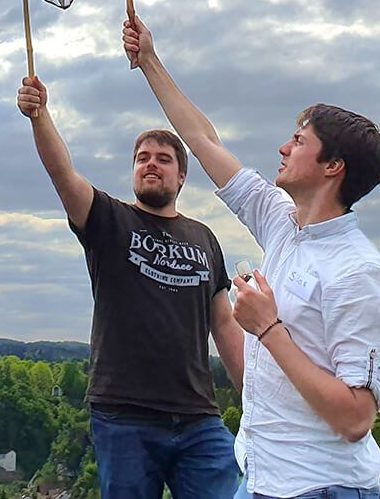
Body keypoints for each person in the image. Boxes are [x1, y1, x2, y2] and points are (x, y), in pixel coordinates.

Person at [122, 16, 380, 499]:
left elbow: (356, 417)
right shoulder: (281, 220)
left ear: (332, 167)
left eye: (298, 142)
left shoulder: (361, 273)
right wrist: (149, 60)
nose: (283, 147)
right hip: (262, 480)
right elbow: (204, 141)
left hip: (320, 487)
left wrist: (268, 328)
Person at [16, 75, 244, 499]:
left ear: (181, 178)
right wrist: (40, 115)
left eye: (163, 158)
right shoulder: (108, 220)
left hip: (199, 418)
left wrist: (258, 395)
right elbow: (62, 173)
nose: (150, 163)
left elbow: (225, 324)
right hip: (125, 415)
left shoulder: (206, 239)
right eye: (142, 158)